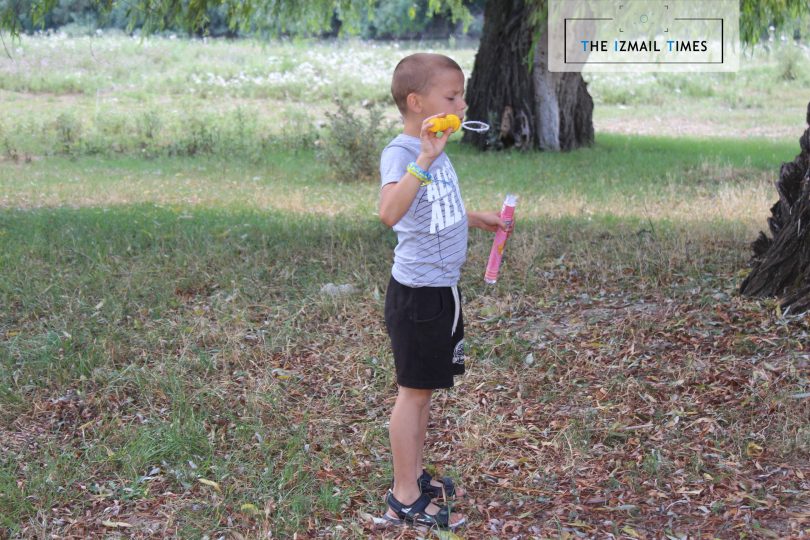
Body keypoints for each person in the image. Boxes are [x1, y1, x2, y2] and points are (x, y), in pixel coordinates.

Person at [378, 52, 511, 530]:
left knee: (425, 390)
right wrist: (424, 160)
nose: (462, 104)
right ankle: (403, 497)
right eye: (452, 97)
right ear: (417, 103)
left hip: (442, 291)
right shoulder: (403, 153)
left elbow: (431, 209)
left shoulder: (436, 148)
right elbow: (390, 212)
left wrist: (474, 219)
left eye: (461, 96)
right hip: (417, 296)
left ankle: (414, 474)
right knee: (412, 394)